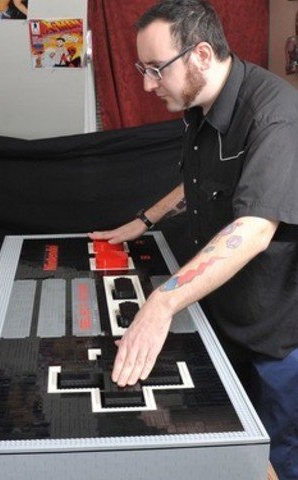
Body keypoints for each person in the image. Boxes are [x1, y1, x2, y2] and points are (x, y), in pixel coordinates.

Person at [89, 2, 298, 478]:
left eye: (156, 69)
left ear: (201, 54)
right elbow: (201, 181)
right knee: (227, 450)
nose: (148, 85)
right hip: (225, 313)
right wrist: (145, 220)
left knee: (275, 458)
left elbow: (254, 229)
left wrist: (161, 304)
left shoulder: (276, 116)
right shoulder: (201, 106)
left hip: (278, 335)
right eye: (142, 70)